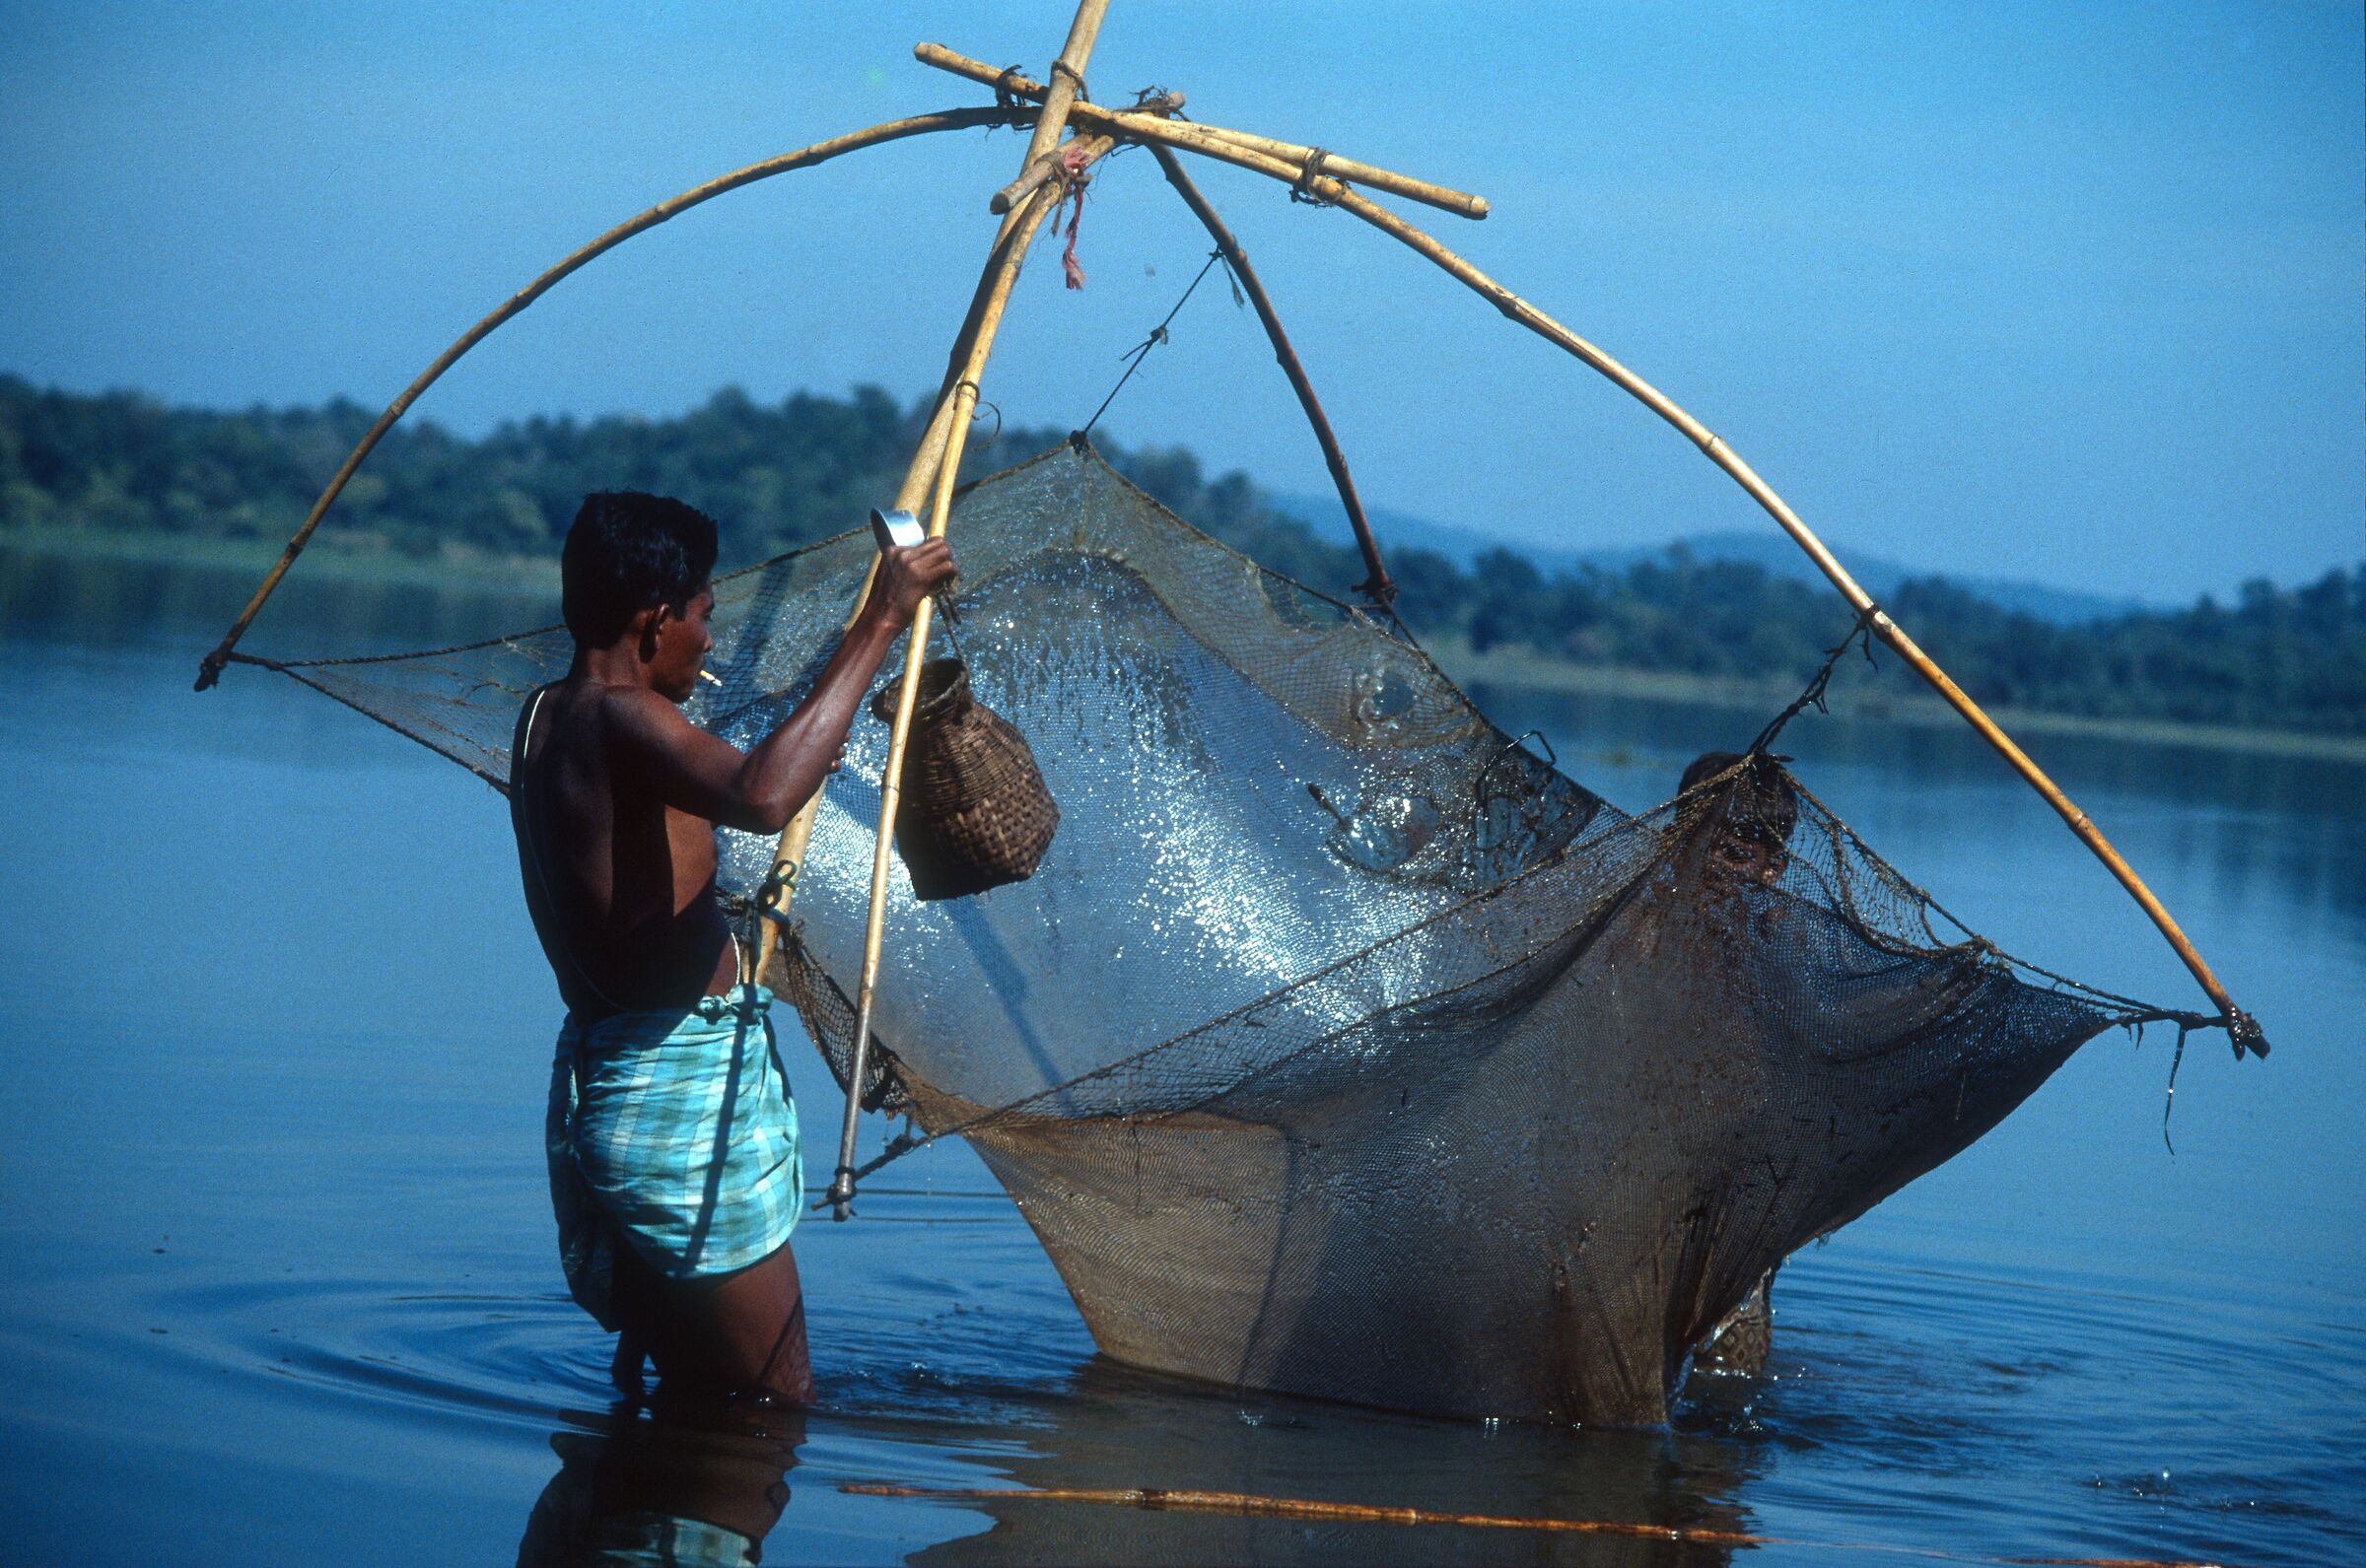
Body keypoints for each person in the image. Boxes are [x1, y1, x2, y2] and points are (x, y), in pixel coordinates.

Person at [512, 491, 955, 1404]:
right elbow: (761, 795)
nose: (711, 642)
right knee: (773, 1411)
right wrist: (882, 615)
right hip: (672, 1099)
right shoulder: (621, 719)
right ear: (654, 620)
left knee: (684, 1400)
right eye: (705, 616)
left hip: (610, 1077)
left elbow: (696, 809)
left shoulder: (545, 715)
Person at [1675, 750, 1798, 1377]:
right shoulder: (1644, 926)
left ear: (1772, 866)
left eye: (1722, 851)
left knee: (1728, 1375)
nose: (1695, 861)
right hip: (1644, 1198)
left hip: (1737, 1214)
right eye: (1685, 836)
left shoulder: (1781, 957)